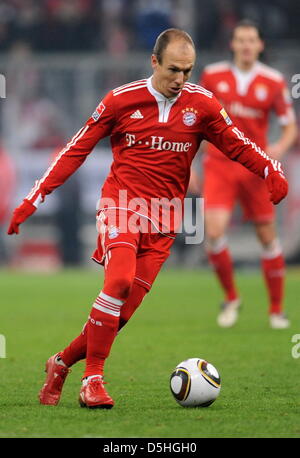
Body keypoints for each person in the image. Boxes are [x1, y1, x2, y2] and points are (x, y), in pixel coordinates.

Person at [7, 28, 288, 409]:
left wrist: (269, 170)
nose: (181, 79)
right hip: (121, 204)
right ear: (154, 62)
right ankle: (93, 379)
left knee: (121, 313)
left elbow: (238, 144)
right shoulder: (120, 101)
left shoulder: (202, 105)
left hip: (165, 219)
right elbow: (75, 150)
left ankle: (60, 363)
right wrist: (32, 199)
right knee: (118, 280)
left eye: (188, 71)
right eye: (174, 69)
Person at [190, 20, 297, 329]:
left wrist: (279, 146)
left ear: (260, 45)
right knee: (213, 232)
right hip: (219, 163)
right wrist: (190, 164)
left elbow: (290, 125)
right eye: (241, 39)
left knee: (266, 236)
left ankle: (276, 310)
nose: (246, 45)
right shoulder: (213, 75)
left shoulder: (274, 81)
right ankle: (231, 298)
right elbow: (197, 122)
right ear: (232, 44)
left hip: (255, 167)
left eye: (252, 40)